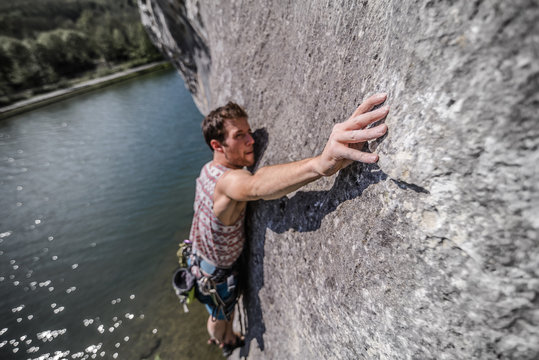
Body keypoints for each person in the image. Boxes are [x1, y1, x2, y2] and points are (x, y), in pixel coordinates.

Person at [187, 93, 389, 356]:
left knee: (218, 312)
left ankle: (225, 337)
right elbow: (255, 185)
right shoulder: (228, 182)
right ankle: (225, 342)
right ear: (217, 145)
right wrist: (320, 164)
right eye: (240, 135)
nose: (251, 140)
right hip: (216, 274)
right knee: (219, 316)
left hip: (197, 259)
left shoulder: (207, 170)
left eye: (249, 132)